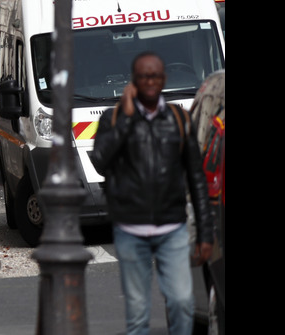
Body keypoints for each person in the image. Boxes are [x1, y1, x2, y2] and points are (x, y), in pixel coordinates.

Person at [90, 52, 214, 335]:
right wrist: (126, 120)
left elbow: (197, 178)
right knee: (137, 313)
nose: (150, 81)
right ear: (133, 81)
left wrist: (206, 234)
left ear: (164, 79)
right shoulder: (115, 117)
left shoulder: (179, 119)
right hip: (130, 230)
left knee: (182, 302)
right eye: (144, 76)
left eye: (155, 76)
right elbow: (100, 161)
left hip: (173, 228)